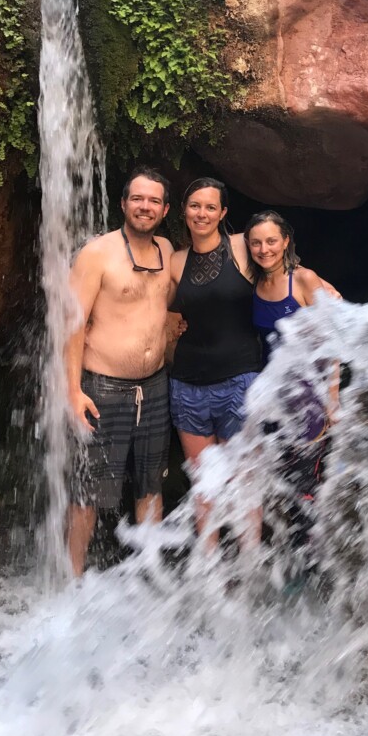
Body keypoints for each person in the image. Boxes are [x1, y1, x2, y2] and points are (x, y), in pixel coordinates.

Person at [169, 181, 339, 546]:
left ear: (224, 213)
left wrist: (333, 395)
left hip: (274, 388)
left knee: (283, 479)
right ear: (183, 209)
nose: (202, 213)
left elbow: (330, 332)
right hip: (228, 388)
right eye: (195, 206)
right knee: (235, 481)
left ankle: (294, 563)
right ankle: (230, 570)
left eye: (211, 207)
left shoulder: (272, 263)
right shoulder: (184, 263)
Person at [65, 166, 175, 577]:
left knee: (151, 484)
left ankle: (151, 574)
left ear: (165, 209)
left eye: (153, 201)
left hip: (155, 386)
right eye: (137, 199)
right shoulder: (97, 253)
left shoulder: (166, 250)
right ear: (123, 203)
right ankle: (71, 581)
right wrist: (72, 390)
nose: (144, 206)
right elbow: (71, 324)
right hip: (103, 388)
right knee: (88, 491)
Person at [245, 210, 340, 542]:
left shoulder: (303, 280)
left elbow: (332, 338)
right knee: (281, 479)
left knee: (307, 483)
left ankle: (315, 561)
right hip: (273, 398)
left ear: (286, 242)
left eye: (272, 241)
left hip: (307, 397)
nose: (264, 249)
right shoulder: (254, 281)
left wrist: (332, 397)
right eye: (256, 243)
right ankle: (294, 556)